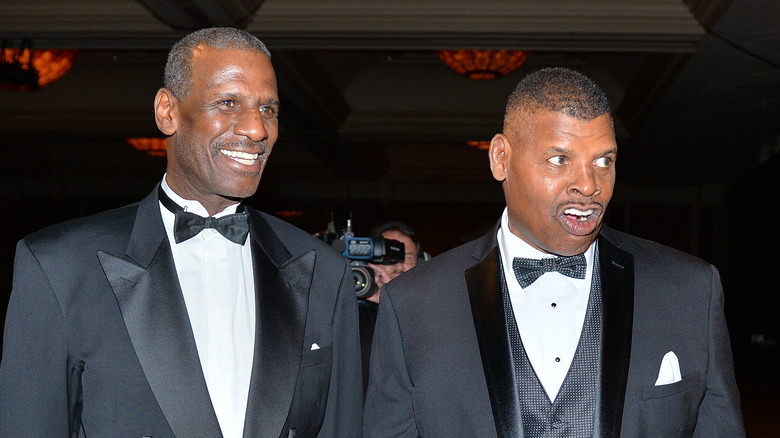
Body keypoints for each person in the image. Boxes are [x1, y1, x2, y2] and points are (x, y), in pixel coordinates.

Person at [0, 27, 362, 438]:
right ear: (167, 111)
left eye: (268, 110)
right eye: (228, 102)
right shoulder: (59, 267)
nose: (257, 130)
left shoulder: (324, 273)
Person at [363, 67, 745, 437]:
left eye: (603, 161)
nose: (589, 184)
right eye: (560, 160)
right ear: (500, 157)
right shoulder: (413, 304)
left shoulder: (690, 290)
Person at [358, 221, 423, 395]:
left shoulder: (430, 310)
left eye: (407, 257)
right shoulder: (353, 312)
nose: (398, 266)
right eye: (389, 256)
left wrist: (391, 303)